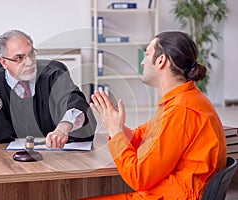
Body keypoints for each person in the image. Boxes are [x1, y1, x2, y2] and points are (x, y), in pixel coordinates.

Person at [87, 31, 227, 199]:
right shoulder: (185, 100)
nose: (142, 62)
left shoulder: (181, 111)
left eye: (147, 54)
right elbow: (142, 138)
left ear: (161, 61)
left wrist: (115, 133)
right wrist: (115, 125)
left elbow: (139, 176)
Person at [0, 29, 96, 148]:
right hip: (9, 161)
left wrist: (64, 127)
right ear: (4, 62)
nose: (29, 62)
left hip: (56, 154)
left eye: (31, 54)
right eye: (19, 57)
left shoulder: (53, 75)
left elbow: (75, 102)